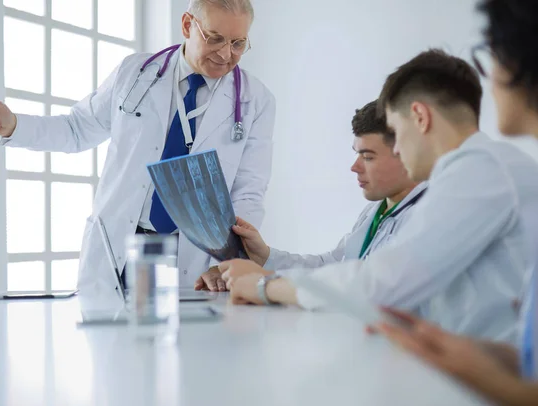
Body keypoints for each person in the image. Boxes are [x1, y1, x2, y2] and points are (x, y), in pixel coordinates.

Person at [0, 0, 276, 295]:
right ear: (188, 25)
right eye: (215, 38)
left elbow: (248, 194)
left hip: (194, 260)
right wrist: (14, 124)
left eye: (238, 44)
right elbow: (76, 129)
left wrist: (231, 259)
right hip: (119, 247)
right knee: (111, 354)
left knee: (185, 356)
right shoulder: (134, 72)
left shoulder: (255, 102)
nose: (225, 54)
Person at [220, 49, 538, 343]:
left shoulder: (480, 170)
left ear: (420, 117)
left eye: (397, 133)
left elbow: (383, 284)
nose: (398, 149)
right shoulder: (478, 170)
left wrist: (265, 287)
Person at [371, 1, 538, 404]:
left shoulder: (486, 168)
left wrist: (272, 286)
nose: (490, 77)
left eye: (490, 55)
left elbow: (385, 281)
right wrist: (476, 354)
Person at [223, 99, 425, 284]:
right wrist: (264, 256)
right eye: (357, 154)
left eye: (368, 157)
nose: (354, 167)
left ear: (406, 153)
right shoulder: (375, 210)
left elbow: (364, 287)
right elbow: (333, 267)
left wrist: (267, 285)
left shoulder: (425, 218)